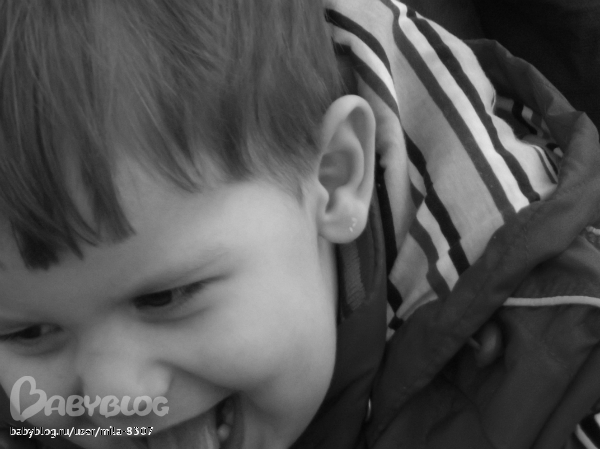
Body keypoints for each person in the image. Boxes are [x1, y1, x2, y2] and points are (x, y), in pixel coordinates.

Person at [1, 1, 600, 449]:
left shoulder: (560, 376)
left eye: (164, 298)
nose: (113, 398)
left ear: (336, 178)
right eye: (28, 333)